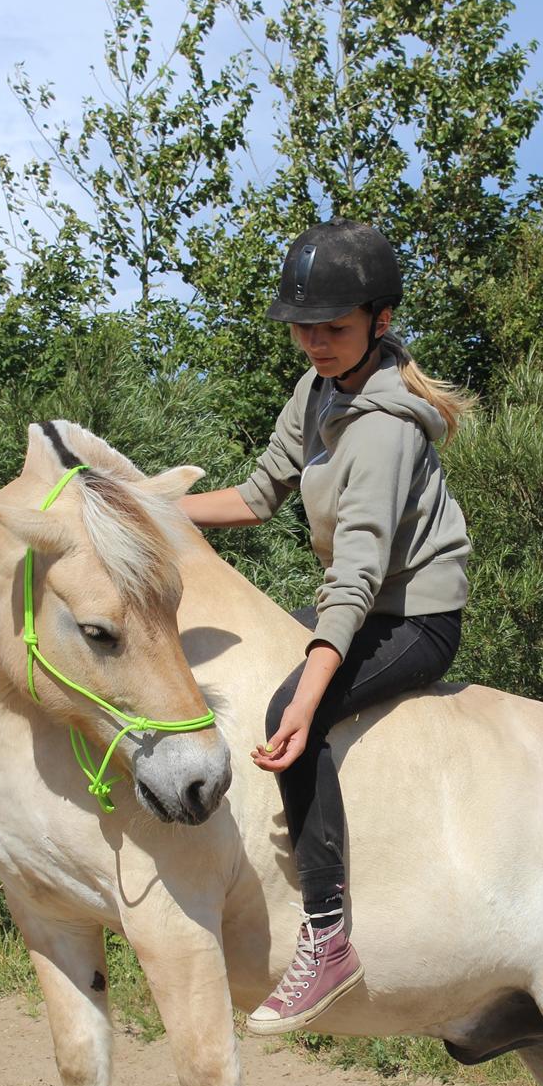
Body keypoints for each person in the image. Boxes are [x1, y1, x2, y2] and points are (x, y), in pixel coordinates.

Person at [180, 218, 473, 1034]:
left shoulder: (382, 427)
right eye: (302, 326)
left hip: (411, 617)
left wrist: (307, 698)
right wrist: (142, 505)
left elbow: (356, 576)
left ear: (380, 321)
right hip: (358, 601)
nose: (313, 341)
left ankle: (326, 937)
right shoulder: (318, 390)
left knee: (284, 712)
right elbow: (254, 495)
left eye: (332, 327)